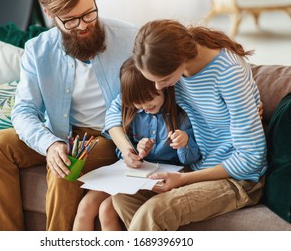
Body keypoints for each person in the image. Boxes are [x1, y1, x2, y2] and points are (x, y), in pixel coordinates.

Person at [0, 0, 137, 231]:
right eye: (71, 21)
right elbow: (24, 110)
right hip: (61, 133)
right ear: (50, 14)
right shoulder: (38, 49)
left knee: (66, 166)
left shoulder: (130, 39)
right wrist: (50, 144)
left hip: (110, 137)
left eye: (89, 13)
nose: (84, 25)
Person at [106, 19, 267, 231]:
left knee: (155, 211)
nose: (158, 87)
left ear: (180, 60)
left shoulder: (229, 73)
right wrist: (127, 149)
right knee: (123, 198)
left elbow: (250, 159)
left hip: (239, 178)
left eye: (162, 80)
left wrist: (183, 179)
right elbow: (120, 107)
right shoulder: (176, 70)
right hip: (200, 167)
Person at [73, 57, 200, 231]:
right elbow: (117, 131)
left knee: (106, 209)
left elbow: (191, 158)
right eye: (137, 103)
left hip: (168, 175)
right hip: (136, 174)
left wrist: (183, 141)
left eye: (149, 99)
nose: (144, 106)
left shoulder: (180, 114)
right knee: (86, 206)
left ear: (162, 87)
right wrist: (134, 151)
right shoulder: (133, 110)